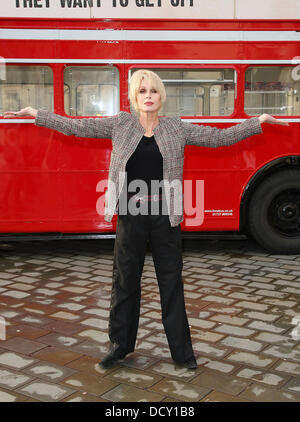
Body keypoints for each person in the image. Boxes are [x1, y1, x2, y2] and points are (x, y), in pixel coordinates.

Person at [4, 70, 288, 370]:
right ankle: (119, 346)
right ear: (134, 97)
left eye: (153, 91)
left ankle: (182, 353)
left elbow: (218, 138)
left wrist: (257, 121)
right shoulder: (121, 125)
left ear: (160, 96)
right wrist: (38, 114)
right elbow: (77, 127)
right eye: (142, 91)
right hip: (131, 216)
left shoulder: (175, 128)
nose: (148, 96)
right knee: (125, 283)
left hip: (166, 218)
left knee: (171, 285)